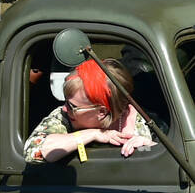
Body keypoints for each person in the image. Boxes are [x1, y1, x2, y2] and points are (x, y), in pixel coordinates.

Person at [24, 58, 154, 163]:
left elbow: (160, 165)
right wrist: (94, 134)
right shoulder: (64, 116)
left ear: (102, 112)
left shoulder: (132, 119)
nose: (65, 108)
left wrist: (147, 146)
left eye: (72, 106)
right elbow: (34, 151)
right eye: (67, 102)